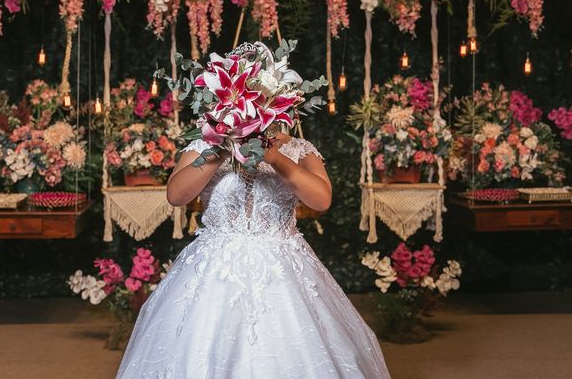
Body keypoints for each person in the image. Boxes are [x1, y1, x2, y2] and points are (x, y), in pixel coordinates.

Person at [116, 131, 391, 378]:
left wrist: (273, 157)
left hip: (283, 269)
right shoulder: (205, 145)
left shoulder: (298, 148)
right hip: (215, 269)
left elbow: (321, 199)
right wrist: (223, 148)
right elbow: (176, 195)